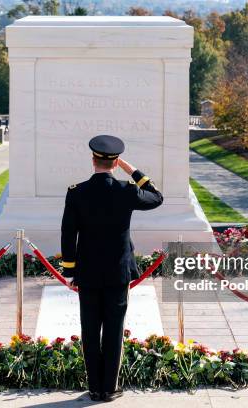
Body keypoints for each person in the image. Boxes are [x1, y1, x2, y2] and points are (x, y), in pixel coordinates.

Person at [60, 134, 163, 402]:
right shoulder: (126, 191)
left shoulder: (77, 192)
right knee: (114, 330)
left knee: (90, 329)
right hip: (118, 272)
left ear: (93, 160)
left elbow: (68, 233)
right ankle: (109, 388)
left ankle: (94, 388)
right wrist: (132, 170)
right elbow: (157, 197)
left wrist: (70, 272)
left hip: (89, 273)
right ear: (115, 162)